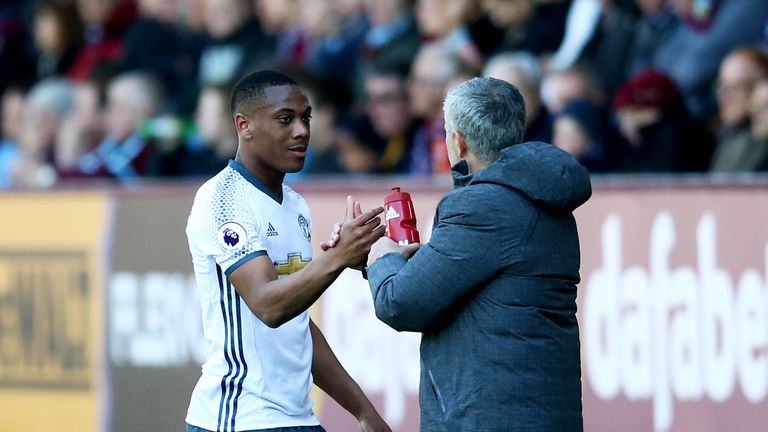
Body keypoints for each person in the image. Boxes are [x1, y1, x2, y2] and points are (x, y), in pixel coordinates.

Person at [365, 77, 590, 431]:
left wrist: (381, 257)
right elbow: (482, 275)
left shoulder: (482, 206)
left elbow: (400, 303)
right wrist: (387, 262)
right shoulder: (542, 197)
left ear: (458, 141)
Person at [184, 70, 390, 432]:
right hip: (239, 419)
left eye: (306, 118)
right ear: (243, 125)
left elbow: (296, 326)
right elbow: (269, 305)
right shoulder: (223, 200)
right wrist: (336, 259)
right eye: (285, 119)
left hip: (295, 419)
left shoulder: (294, 205)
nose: (302, 131)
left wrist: (363, 412)